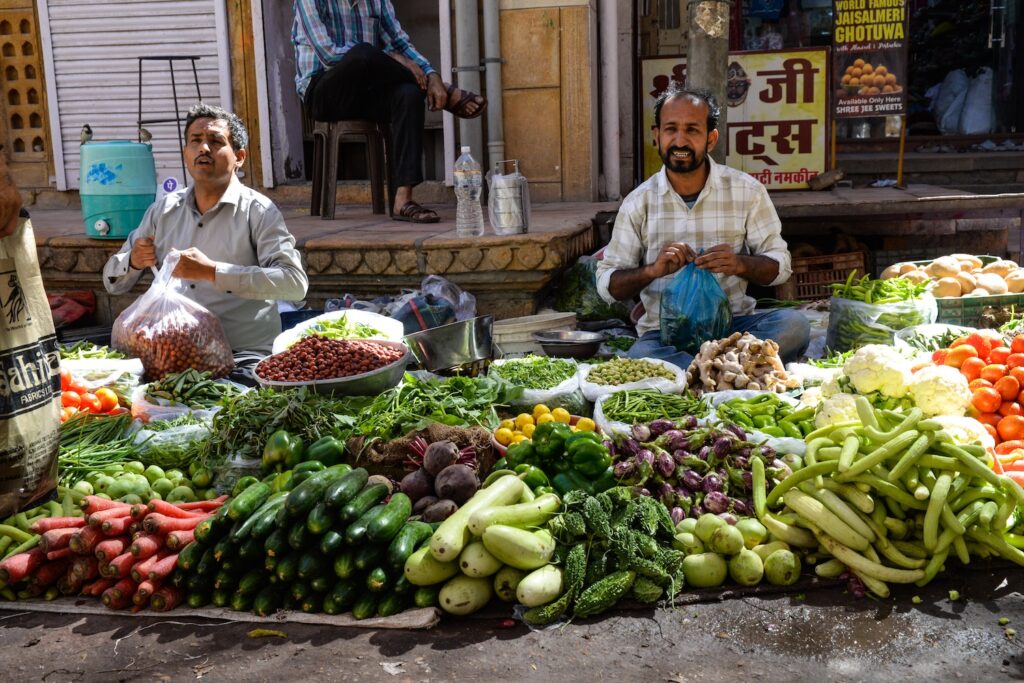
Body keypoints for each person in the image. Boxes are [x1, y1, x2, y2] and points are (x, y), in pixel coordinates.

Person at [595, 85, 809, 370]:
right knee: (641, 356)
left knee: (794, 324)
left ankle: (698, 371)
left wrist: (739, 263)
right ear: (656, 136)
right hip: (665, 335)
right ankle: (727, 369)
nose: (680, 141)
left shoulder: (747, 191)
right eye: (671, 129)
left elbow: (780, 266)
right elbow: (607, 284)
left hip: (734, 328)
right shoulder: (638, 202)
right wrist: (652, 270)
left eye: (692, 130)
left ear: (710, 139)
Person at [103, 104, 309, 381]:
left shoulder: (258, 211)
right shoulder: (163, 211)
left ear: (239, 157)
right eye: (195, 141)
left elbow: (294, 283)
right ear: (186, 153)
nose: (204, 149)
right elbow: (112, 282)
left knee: (224, 408)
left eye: (215, 141)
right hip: (170, 354)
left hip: (242, 355)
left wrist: (213, 272)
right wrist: (132, 261)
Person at [293, 0, 486, 224]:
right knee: (363, 53)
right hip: (323, 92)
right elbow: (329, 55)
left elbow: (400, 43)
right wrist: (391, 58)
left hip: (367, 90)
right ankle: (446, 92)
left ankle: (403, 199)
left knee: (408, 95)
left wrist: (430, 74)